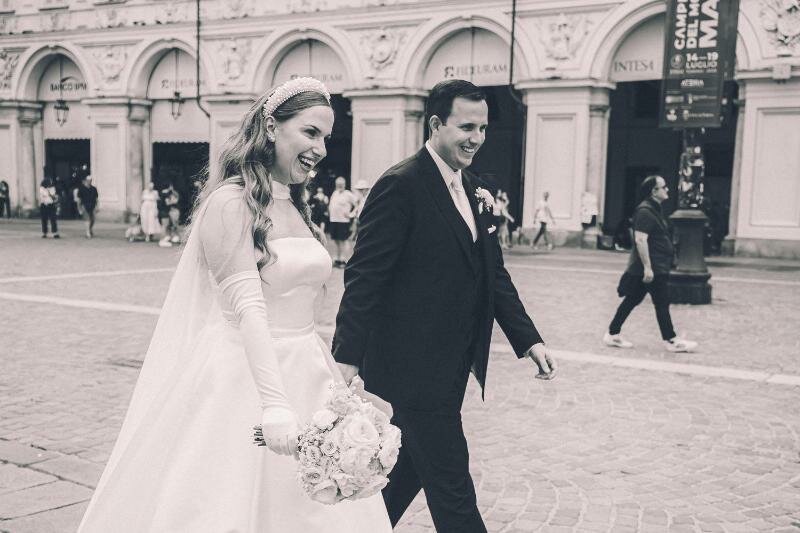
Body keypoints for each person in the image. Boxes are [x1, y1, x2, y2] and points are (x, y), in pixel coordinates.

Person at [78, 78, 392, 532]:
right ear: (272, 126)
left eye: (326, 137)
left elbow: (301, 309)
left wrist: (339, 390)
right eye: (310, 132)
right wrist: (275, 405)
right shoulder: (229, 203)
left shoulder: (295, 205)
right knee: (229, 498)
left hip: (307, 370)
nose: (321, 149)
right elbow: (250, 309)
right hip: (244, 375)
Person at [332, 79, 557, 533]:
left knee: (408, 471)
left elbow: (493, 274)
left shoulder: (474, 188)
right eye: (467, 127)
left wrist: (528, 339)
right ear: (436, 124)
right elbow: (364, 276)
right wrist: (346, 357)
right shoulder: (400, 185)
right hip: (409, 368)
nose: (477, 138)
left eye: (483, 128)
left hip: (452, 365)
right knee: (452, 485)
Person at [604, 175, 698, 353]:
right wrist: (648, 267)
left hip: (654, 266)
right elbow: (640, 240)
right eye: (663, 187)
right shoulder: (645, 212)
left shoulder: (653, 210)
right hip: (652, 267)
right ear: (653, 191)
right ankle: (671, 340)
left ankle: (612, 333)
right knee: (661, 302)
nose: (667, 189)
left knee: (632, 300)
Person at [328, 176, 357, 267]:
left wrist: (351, 214)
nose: (339, 186)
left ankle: (343, 259)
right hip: (334, 220)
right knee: (336, 240)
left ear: (344, 185)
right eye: (338, 184)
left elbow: (357, 204)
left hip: (343, 221)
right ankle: (338, 258)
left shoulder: (348, 194)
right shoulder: (335, 193)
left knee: (343, 241)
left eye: (341, 184)